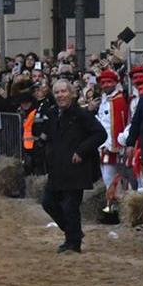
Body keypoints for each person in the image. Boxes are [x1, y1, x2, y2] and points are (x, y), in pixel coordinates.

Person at [39, 79, 105, 253]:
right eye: (57, 92)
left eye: (64, 91)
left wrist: (82, 151)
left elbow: (100, 134)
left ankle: (73, 243)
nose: (60, 95)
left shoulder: (81, 114)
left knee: (70, 207)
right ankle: (73, 233)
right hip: (57, 168)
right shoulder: (53, 114)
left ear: (72, 93)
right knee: (48, 202)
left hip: (76, 169)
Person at [94, 68, 128, 191]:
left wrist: (114, 147)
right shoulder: (104, 99)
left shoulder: (118, 100)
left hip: (112, 147)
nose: (106, 85)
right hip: (102, 145)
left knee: (112, 179)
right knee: (107, 178)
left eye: (109, 82)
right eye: (103, 83)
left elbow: (119, 125)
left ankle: (115, 205)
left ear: (115, 83)